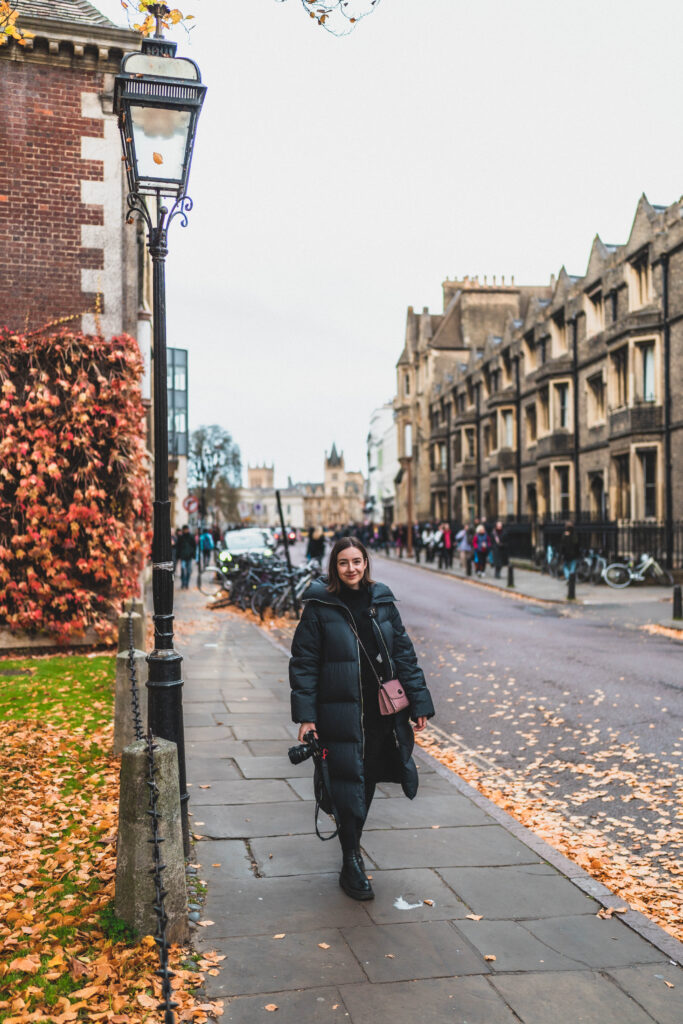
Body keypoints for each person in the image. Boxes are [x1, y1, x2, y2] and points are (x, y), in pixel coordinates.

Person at [289, 537, 435, 901]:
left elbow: (404, 653)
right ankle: (351, 858)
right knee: (346, 784)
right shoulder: (320, 607)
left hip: (381, 712)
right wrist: (306, 717)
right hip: (339, 712)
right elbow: (304, 664)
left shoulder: (382, 601)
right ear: (333, 567)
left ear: (366, 563)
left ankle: (351, 853)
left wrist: (419, 703)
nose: (351, 568)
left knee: (365, 779)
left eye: (357, 561)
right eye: (343, 563)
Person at [176, 524, 196, 590]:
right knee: (182, 570)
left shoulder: (191, 537)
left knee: (188, 571)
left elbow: (194, 546)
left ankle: (186, 583)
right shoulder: (181, 538)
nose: (186, 531)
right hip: (183, 557)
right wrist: (178, 555)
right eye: (185, 529)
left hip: (189, 556)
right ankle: (183, 583)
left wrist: (193, 554)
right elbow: (178, 547)